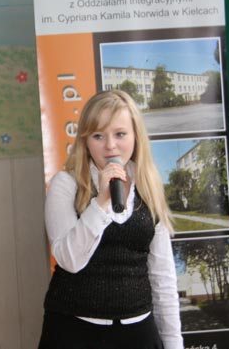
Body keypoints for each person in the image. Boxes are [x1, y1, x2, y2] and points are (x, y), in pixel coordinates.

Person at [37, 90, 182, 349]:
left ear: (136, 136)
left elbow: (163, 277)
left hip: (139, 332)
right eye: (98, 136)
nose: (110, 146)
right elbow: (69, 260)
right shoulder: (66, 184)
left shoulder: (148, 185)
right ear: (85, 141)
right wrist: (101, 202)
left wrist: (174, 343)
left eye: (120, 134)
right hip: (74, 331)